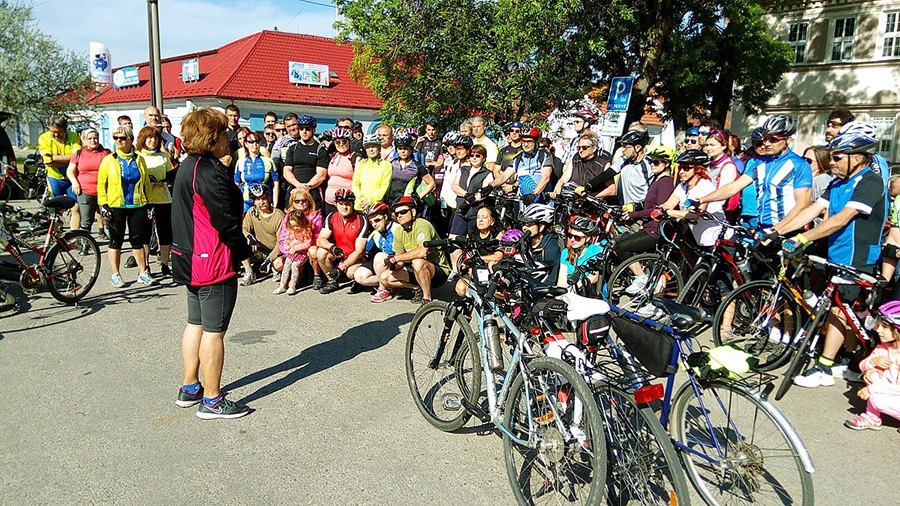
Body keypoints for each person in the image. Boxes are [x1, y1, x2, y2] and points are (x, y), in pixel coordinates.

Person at [774, 123, 886, 389]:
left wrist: (802, 238)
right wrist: (775, 231)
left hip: (857, 255)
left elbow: (841, 219)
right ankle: (850, 358)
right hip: (837, 252)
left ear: (856, 158)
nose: (831, 161)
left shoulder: (870, 182)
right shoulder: (837, 182)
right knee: (842, 308)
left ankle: (824, 367)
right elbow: (813, 210)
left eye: (837, 157)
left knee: (837, 306)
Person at [171, 107, 251, 419]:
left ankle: (190, 387)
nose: (230, 137)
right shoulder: (211, 171)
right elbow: (227, 221)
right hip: (212, 260)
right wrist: (245, 254)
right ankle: (212, 399)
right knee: (214, 331)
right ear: (212, 138)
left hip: (189, 258)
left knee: (196, 323)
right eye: (224, 133)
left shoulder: (187, 165)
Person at [696, 115, 812, 233]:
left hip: (786, 230)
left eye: (773, 139)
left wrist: (775, 230)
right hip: (762, 228)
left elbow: (802, 205)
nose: (766, 143)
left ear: (788, 139)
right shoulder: (759, 162)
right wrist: (702, 200)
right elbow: (733, 187)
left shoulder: (800, 165)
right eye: (765, 138)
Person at [97, 125, 154, 288]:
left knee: (138, 240)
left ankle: (143, 272)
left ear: (130, 139)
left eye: (122, 138)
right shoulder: (109, 160)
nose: (118, 141)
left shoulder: (139, 159)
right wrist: (103, 204)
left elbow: (146, 184)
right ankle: (115, 274)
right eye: (115, 138)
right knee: (116, 240)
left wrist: (149, 204)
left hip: (137, 204)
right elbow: (101, 184)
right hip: (116, 204)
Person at [612, 146, 677, 280]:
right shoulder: (657, 180)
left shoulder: (666, 183)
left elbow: (658, 209)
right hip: (650, 227)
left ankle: (641, 278)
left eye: (657, 162)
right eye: (651, 161)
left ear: (667, 164)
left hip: (657, 231)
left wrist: (633, 215)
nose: (652, 165)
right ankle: (648, 285)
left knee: (622, 248)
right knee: (622, 240)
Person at [381, 196, 451, 304]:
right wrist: (393, 265)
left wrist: (396, 258)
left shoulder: (422, 225)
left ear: (413, 212)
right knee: (384, 277)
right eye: (397, 214)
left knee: (418, 261)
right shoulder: (399, 231)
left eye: (403, 212)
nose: (399, 216)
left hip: (438, 270)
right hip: (416, 268)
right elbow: (399, 259)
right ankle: (416, 287)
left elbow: (422, 252)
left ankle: (427, 299)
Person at [844, 302, 900, 430]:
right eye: (879, 326)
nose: (878, 330)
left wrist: (872, 389)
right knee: (872, 374)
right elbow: (863, 365)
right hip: (893, 392)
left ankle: (872, 414)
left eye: (884, 328)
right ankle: (872, 417)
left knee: (876, 399)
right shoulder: (884, 348)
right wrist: (874, 362)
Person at [659, 149, 725, 248]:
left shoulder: (704, 186)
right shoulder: (683, 185)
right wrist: (658, 209)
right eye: (680, 167)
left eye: (686, 168)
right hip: (699, 239)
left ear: (697, 169)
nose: (681, 172)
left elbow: (696, 215)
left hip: (716, 239)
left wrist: (668, 213)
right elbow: (669, 204)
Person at [136, 125, 176, 277]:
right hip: (145, 199)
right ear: (143, 139)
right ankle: (145, 266)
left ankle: (165, 264)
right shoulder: (138, 156)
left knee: (165, 232)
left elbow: (171, 176)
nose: (153, 140)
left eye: (155, 138)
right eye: (149, 138)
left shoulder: (163, 156)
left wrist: (163, 182)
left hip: (163, 198)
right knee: (145, 234)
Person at [314, 188, 369, 294]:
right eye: (341, 203)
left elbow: (359, 251)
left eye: (348, 203)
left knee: (350, 272)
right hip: (341, 253)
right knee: (321, 252)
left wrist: (340, 268)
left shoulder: (361, 219)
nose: (344, 207)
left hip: (357, 257)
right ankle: (332, 281)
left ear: (353, 204)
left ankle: (359, 282)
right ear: (336, 204)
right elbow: (320, 240)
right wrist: (332, 247)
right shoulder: (332, 217)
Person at [66, 128, 110, 239]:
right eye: (89, 138)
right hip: (85, 191)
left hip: (104, 192)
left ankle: (113, 245)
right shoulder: (79, 153)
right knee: (86, 221)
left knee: (109, 219)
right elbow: (70, 170)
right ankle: (84, 245)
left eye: (95, 138)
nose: (93, 140)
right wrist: (74, 182)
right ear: (84, 140)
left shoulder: (106, 153)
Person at [38, 115, 81, 229]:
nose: (56, 134)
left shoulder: (74, 136)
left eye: (59, 132)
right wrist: (69, 160)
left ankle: (74, 236)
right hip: (54, 178)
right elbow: (47, 161)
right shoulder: (44, 138)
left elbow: (77, 157)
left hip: (72, 178)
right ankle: (58, 237)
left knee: (76, 208)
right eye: (53, 132)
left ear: (65, 129)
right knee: (56, 210)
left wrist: (55, 158)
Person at [239, 184, 285, 286]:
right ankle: (249, 272)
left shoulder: (278, 215)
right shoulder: (252, 212)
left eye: (264, 198)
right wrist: (249, 236)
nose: (262, 202)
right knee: (239, 243)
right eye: (258, 200)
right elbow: (244, 228)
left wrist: (270, 259)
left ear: (269, 197)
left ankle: (274, 269)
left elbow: (281, 243)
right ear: (254, 201)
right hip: (259, 250)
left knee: (278, 264)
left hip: (276, 252)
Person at [355, 202, 400, 302]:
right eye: (371, 222)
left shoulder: (397, 229)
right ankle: (392, 284)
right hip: (387, 264)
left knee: (379, 256)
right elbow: (364, 251)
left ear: (385, 216)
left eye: (377, 220)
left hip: (400, 262)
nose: (374, 224)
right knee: (359, 276)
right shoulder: (375, 234)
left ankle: (384, 290)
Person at [454, 205, 504, 296]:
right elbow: (468, 254)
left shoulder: (498, 234)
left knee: (492, 263)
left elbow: (498, 256)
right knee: (460, 288)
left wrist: (478, 258)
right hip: (475, 268)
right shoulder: (472, 234)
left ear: (492, 221)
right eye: (478, 217)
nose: (480, 220)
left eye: (484, 217)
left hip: (491, 269)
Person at [597, 129, 652, 209]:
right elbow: (607, 174)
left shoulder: (648, 164)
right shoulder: (623, 160)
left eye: (626, 147)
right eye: (622, 146)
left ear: (638, 148)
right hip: (625, 208)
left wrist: (637, 206)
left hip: (642, 210)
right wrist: (587, 187)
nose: (622, 150)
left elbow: (654, 192)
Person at [496, 127, 553, 204]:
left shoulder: (544, 155)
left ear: (536, 142)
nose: (526, 144)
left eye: (529, 141)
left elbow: (545, 177)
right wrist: (491, 186)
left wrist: (534, 193)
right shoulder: (518, 158)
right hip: (524, 202)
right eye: (523, 141)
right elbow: (504, 176)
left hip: (543, 203)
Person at [282, 114, 327, 210]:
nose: (304, 131)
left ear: (313, 130)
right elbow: (286, 171)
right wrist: (298, 186)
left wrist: (306, 188)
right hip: (294, 191)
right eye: (301, 129)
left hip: (312, 193)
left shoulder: (320, 150)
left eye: (307, 128)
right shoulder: (292, 149)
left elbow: (321, 175)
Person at [450, 142, 494, 237]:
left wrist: (470, 200)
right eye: (471, 155)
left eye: (477, 155)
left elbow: (483, 193)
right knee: (453, 241)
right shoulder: (463, 170)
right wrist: (466, 195)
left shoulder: (487, 173)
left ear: (483, 158)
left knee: (472, 242)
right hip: (461, 211)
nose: (474, 158)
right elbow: (455, 185)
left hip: (476, 213)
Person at [555, 131, 614, 197]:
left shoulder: (603, 164)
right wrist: (556, 193)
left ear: (594, 148)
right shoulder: (575, 160)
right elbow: (562, 180)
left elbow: (612, 190)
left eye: (584, 147)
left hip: (592, 204)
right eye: (579, 148)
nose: (581, 150)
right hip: (572, 201)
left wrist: (590, 197)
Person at [234, 132, 279, 212]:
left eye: (257, 142)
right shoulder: (240, 162)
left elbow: (276, 184)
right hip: (246, 202)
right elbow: (236, 184)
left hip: (264, 201)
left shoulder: (268, 161)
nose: (254, 144)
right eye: (251, 142)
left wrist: (275, 204)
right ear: (246, 144)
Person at [273, 210, 315, 295]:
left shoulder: (306, 231)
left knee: (294, 266)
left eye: (297, 226)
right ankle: (282, 285)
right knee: (286, 266)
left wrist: (296, 248)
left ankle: (292, 285)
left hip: (301, 253)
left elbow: (307, 243)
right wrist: (287, 246)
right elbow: (286, 240)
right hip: (291, 253)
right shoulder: (290, 230)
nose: (295, 228)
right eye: (293, 226)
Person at [518, 203, 561, 285]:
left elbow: (551, 279)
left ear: (541, 227)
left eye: (529, 224)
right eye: (524, 224)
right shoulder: (527, 243)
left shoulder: (552, 247)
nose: (524, 228)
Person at [323, 128, 362, 217]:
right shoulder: (333, 156)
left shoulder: (355, 157)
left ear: (349, 142)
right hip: (329, 201)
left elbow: (360, 180)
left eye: (344, 142)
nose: (341, 145)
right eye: (338, 142)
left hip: (345, 202)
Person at [704, 129, 740, 222]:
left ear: (723, 146)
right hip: (705, 211)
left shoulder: (728, 166)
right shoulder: (709, 165)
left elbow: (722, 197)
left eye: (712, 145)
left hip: (718, 215)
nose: (708, 148)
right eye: (707, 145)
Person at [389, 132, 434, 205]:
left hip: (407, 204)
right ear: (396, 150)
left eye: (405, 148)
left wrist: (418, 197)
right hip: (390, 202)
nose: (403, 151)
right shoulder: (392, 163)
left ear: (411, 149)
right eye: (400, 148)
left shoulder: (417, 166)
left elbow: (431, 183)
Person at [557, 217, 602, 289]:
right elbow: (561, 280)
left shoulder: (595, 251)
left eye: (577, 237)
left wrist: (576, 287)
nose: (572, 239)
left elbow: (593, 277)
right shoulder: (565, 253)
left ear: (588, 238)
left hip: (588, 292)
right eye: (570, 236)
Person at [352, 133, 393, 211]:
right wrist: (361, 200)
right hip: (360, 206)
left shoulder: (386, 165)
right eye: (368, 147)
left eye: (373, 147)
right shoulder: (361, 164)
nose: (371, 150)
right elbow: (355, 184)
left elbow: (384, 187)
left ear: (379, 147)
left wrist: (370, 201)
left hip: (376, 207)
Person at [435, 131, 462, 236]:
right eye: (447, 145)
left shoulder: (464, 162)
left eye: (452, 144)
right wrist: (442, 202)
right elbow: (446, 183)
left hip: (459, 203)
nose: (449, 147)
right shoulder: (448, 161)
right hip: (448, 203)